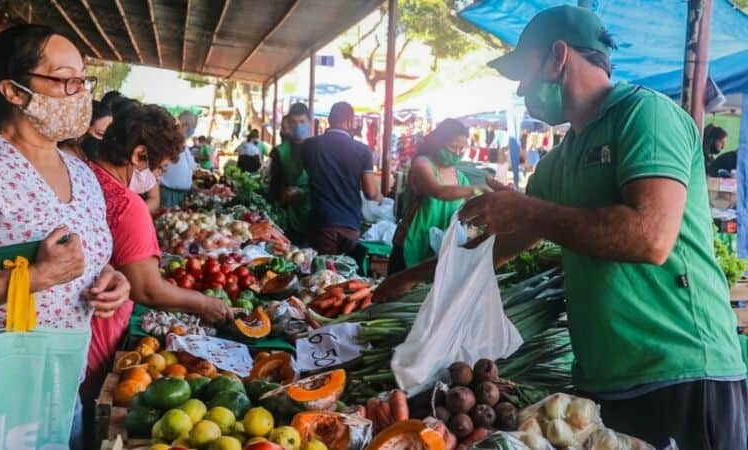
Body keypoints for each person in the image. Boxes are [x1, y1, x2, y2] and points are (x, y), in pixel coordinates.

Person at [379, 6, 747, 448]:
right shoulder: (560, 160)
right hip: (604, 379)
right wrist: (411, 279)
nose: (521, 90)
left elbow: (651, 237)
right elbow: (505, 241)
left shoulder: (645, 116)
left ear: (558, 57)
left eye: (524, 72)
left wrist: (528, 211)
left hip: (680, 369)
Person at [0, 24, 130, 449]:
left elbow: (89, 257)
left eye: (83, 79)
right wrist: (36, 278)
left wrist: (111, 278)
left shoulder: (82, 174)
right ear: (13, 91)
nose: (80, 92)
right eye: (65, 78)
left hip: (63, 376)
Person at [84, 103, 231, 404]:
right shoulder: (128, 206)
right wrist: (204, 303)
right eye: (161, 168)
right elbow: (147, 289)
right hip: (96, 334)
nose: (159, 179)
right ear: (139, 156)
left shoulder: (85, 175)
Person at [388, 119, 480, 273]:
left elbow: (465, 214)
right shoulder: (422, 164)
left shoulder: (461, 178)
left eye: (462, 148)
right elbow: (439, 191)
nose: (457, 153)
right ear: (438, 142)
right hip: (413, 243)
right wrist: (476, 190)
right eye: (453, 147)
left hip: (440, 252)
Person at [302, 102, 383, 254]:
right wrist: (381, 196)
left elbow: (308, 173)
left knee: (323, 274)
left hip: (322, 223)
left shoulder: (310, 145)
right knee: (344, 274)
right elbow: (370, 193)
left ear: (330, 120)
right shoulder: (363, 151)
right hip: (351, 225)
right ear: (350, 121)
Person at [269, 103, 312, 242]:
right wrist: (281, 198)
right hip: (286, 219)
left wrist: (302, 192)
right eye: (294, 122)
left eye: (302, 122)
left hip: (314, 217)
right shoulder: (279, 152)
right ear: (288, 123)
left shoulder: (319, 150)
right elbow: (273, 187)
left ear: (309, 123)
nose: (298, 126)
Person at [159, 110, 197, 207]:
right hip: (168, 194)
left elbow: (186, 173)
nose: (193, 131)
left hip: (183, 195)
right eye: (193, 127)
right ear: (184, 125)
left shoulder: (185, 145)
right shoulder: (168, 143)